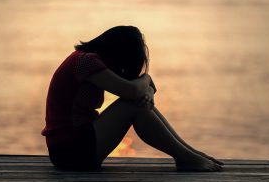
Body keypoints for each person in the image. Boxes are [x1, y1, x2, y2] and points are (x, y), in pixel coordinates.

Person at [41, 25, 223, 171]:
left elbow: (142, 90)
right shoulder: (86, 62)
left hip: (75, 146)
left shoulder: (87, 60)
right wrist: (147, 78)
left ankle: (189, 154)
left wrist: (148, 90)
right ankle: (186, 157)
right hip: (70, 151)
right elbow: (134, 91)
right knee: (131, 105)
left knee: (135, 102)